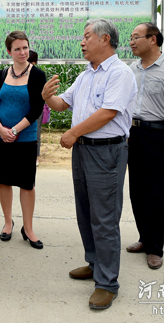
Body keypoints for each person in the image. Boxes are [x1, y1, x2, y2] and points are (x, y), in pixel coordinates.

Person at [42, 18, 137, 310]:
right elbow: (63, 104)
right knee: (86, 211)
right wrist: (48, 97)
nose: (82, 42)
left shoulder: (120, 73)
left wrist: (73, 132)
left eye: (86, 37)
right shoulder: (86, 75)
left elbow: (109, 112)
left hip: (106, 151)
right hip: (83, 151)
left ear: (104, 39)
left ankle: (107, 283)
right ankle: (95, 263)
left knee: (105, 218)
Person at [126, 23, 164, 270]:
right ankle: (144, 238)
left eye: (136, 37)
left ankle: (156, 248)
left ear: (153, 40)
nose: (131, 41)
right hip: (133, 134)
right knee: (136, 192)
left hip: (159, 136)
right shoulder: (132, 68)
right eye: (130, 38)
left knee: (156, 193)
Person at [0, 32, 46, 248]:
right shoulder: (1, 74)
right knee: (3, 180)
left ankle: (28, 229)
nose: (23, 52)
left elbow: (36, 108)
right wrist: (2, 129)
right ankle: (7, 223)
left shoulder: (38, 75)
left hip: (26, 137)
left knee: (27, 183)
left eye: (25, 47)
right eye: (18, 49)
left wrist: (15, 130)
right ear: (9, 52)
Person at [27, 50, 43, 166]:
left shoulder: (38, 75)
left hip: (36, 108)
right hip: (23, 108)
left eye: (31, 62)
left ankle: (36, 157)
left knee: (35, 132)